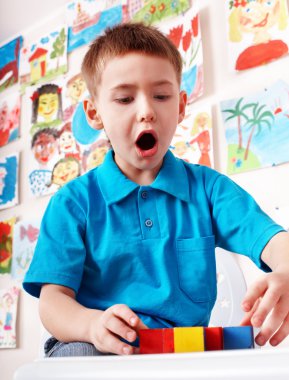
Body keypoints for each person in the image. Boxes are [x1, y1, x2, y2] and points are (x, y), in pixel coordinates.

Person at [23, 22, 289, 357]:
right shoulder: (71, 203)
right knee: (77, 356)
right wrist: (91, 325)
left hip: (176, 353)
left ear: (179, 107)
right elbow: (52, 302)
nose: (147, 111)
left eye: (161, 96)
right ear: (95, 112)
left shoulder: (209, 189)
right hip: (92, 345)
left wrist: (286, 271)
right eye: (124, 98)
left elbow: (272, 240)